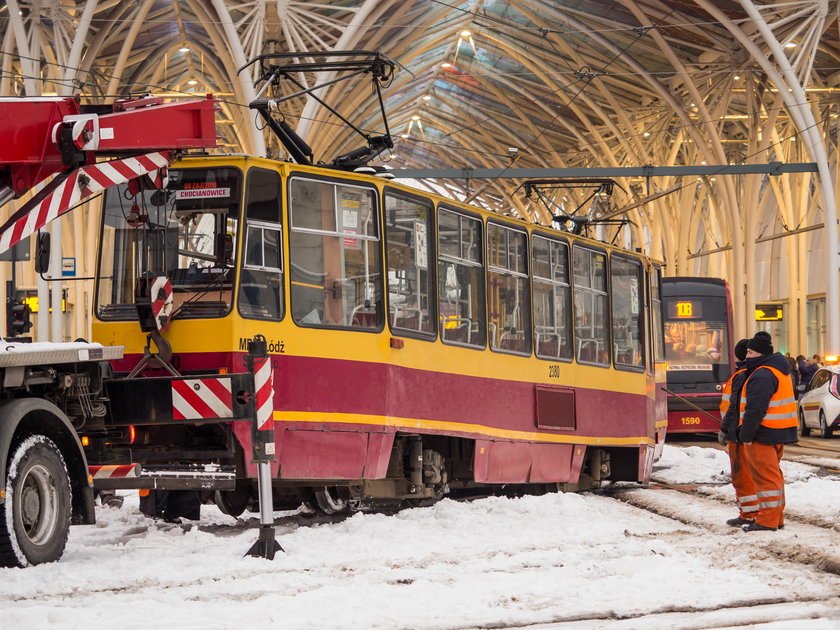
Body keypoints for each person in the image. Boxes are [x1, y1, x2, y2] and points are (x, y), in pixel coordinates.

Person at [734, 331, 798, 532]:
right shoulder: (779, 370)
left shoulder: (762, 374)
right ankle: (776, 518)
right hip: (777, 431)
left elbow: (755, 410)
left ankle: (767, 521)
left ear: (761, 353)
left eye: (751, 352)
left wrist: (746, 435)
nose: (747, 356)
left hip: (763, 433)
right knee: (774, 477)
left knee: (764, 478)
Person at [718, 338, 757, 527]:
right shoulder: (754, 375)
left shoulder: (739, 377)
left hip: (737, 433)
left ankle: (749, 513)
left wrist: (725, 429)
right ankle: (755, 512)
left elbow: (731, 408)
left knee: (742, 477)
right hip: (745, 431)